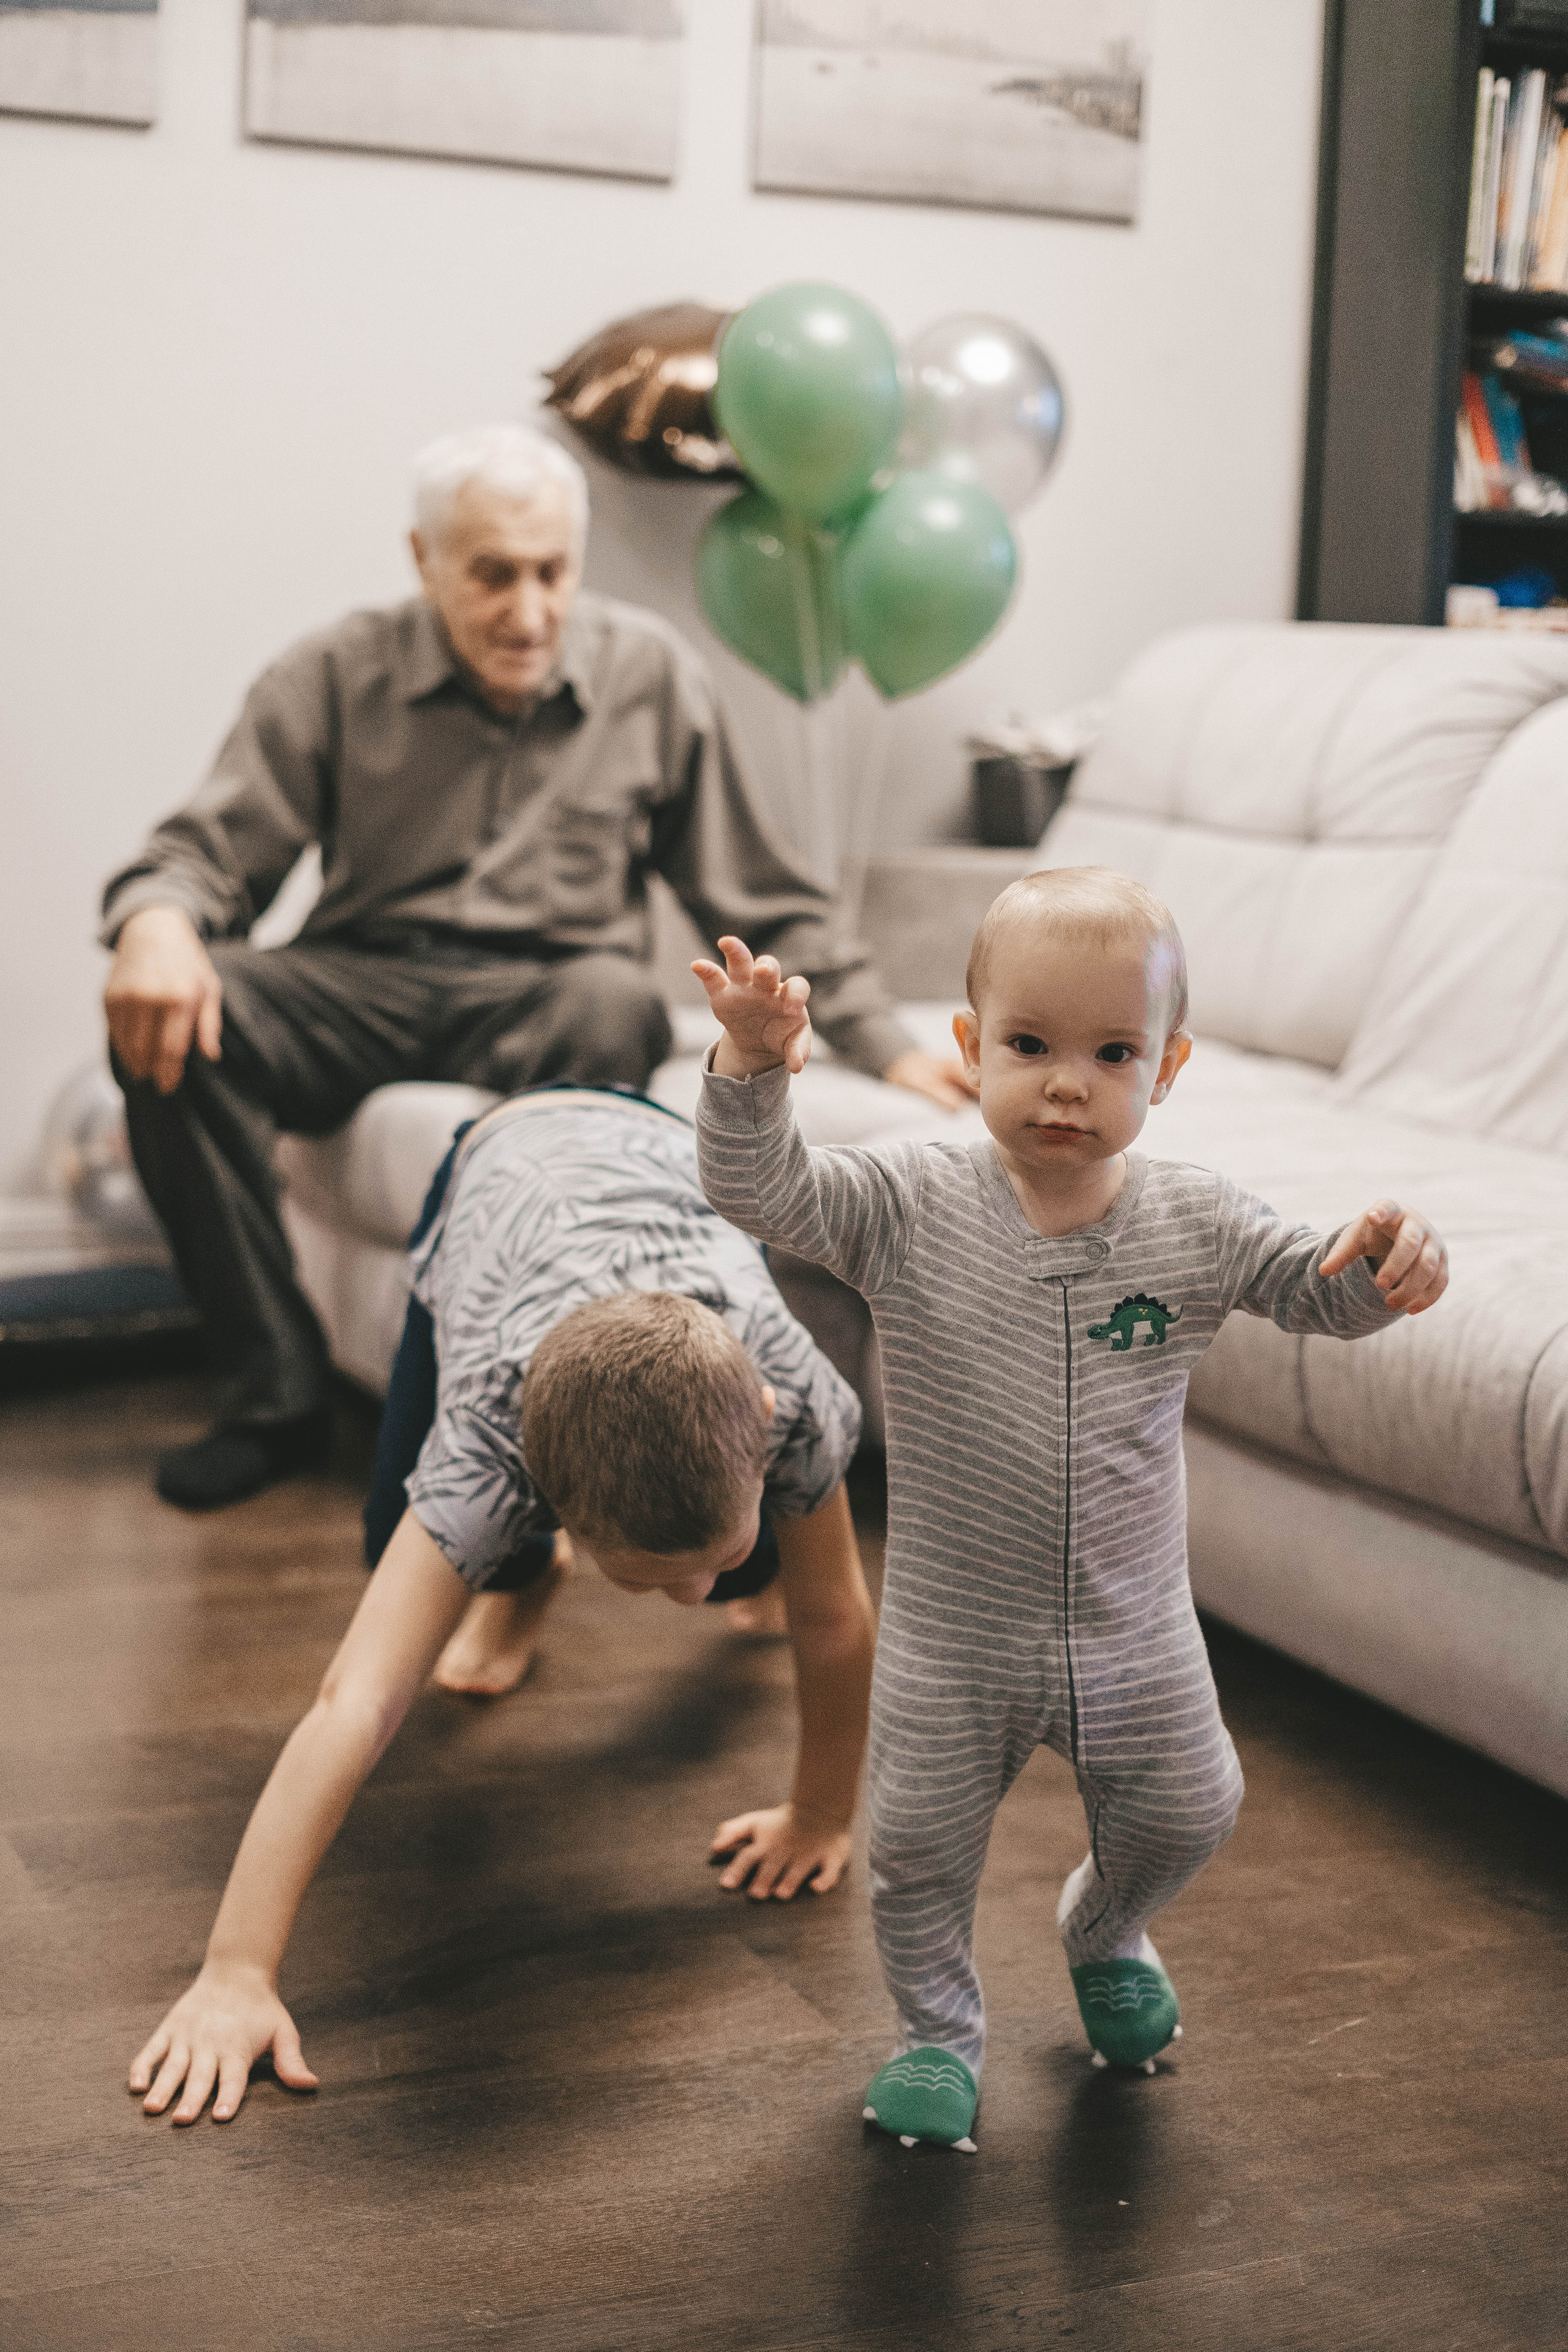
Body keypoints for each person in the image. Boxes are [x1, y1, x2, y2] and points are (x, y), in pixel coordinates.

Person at [690, 868, 1450, 2154]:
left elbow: (1315, 1290)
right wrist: (750, 1066)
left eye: (1111, 1053)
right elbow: (762, 1196)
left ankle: (1103, 1929)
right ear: (970, 1046)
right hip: (949, 1636)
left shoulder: (1195, 1219)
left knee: (1190, 1803)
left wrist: (1384, 1265)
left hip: (1131, 1626)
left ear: (1166, 1069)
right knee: (917, 1855)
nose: (1063, 1083)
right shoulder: (903, 1204)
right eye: (1029, 1046)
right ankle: (936, 2035)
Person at [101, 423, 968, 1512]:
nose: (529, 611)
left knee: (614, 1002)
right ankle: (274, 1393)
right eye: (493, 575)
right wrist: (157, 920)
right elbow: (202, 854)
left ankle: (537, 1389)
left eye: (552, 572)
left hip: (553, 994)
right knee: (184, 1017)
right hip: (365, 978)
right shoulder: (331, 672)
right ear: (424, 561)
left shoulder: (649, 676)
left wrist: (884, 1041)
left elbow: (761, 891)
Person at [127, 1085, 878, 2126]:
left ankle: (710, 1552)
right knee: (392, 1528)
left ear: (761, 1417)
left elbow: (836, 1615)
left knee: (770, 1566)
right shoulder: (485, 1446)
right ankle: (527, 1580)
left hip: (650, 1152)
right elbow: (354, 1703)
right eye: (653, 1578)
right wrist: (233, 1973)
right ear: (532, 1495)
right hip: (495, 1175)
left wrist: (822, 1813)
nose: (688, 1600)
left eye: (701, 1569)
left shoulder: (788, 1386)